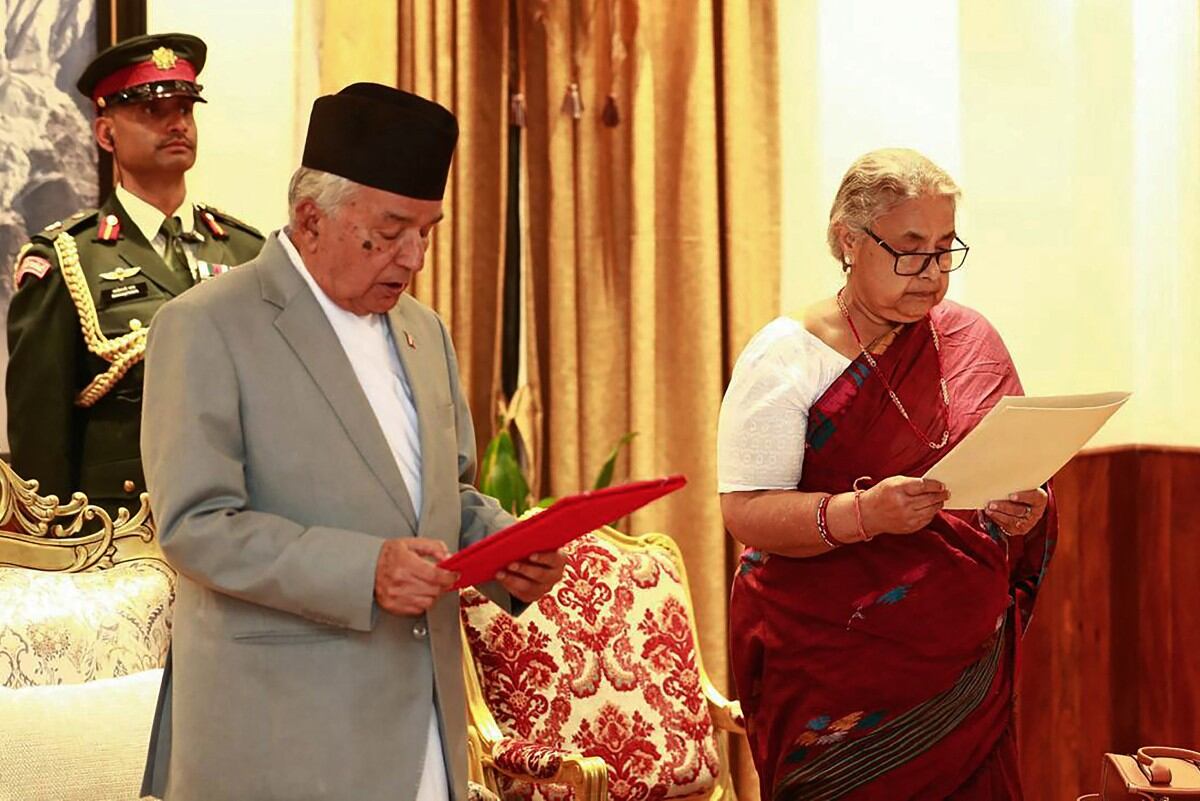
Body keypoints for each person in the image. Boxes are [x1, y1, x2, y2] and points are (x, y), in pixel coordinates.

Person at [138, 83, 566, 801]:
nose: (414, 257)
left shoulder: (422, 330)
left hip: (422, 724)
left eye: (428, 231)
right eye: (391, 230)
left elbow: (439, 495)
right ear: (311, 218)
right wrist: (363, 569)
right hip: (280, 731)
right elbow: (194, 525)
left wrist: (504, 545)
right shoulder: (208, 325)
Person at [718, 148, 1056, 800]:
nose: (931, 274)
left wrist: (1031, 504)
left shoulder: (971, 339)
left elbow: (1019, 464)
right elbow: (746, 511)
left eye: (943, 250)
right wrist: (862, 515)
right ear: (849, 239)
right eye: (909, 250)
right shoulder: (787, 356)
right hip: (836, 691)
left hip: (965, 685)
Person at [5, 33, 264, 517]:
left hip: (242, 517)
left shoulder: (248, 251)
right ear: (106, 135)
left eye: (185, 110)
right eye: (151, 112)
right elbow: (40, 435)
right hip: (121, 533)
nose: (176, 125)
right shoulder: (67, 260)